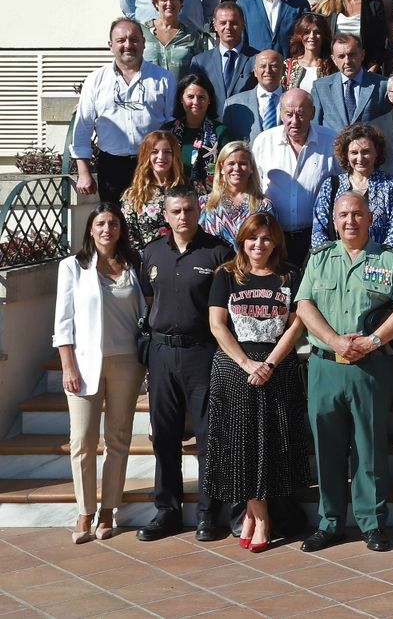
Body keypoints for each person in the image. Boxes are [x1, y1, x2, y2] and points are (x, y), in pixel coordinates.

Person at [295, 194, 393, 553]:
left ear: (370, 218)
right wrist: (334, 340)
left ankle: (372, 523)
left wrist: (373, 340)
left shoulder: (388, 260)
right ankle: (330, 523)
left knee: (369, 448)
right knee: (327, 447)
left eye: (357, 214)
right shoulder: (319, 258)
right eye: (343, 215)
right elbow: (303, 305)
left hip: (371, 367)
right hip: (325, 366)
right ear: (334, 221)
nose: (350, 221)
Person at [203, 212, 310, 553]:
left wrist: (270, 363)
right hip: (235, 368)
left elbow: (297, 324)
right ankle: (261, 517)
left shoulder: (289, 275)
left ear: (276, 241)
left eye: (266, 238)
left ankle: (252, 516)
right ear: (242, 241)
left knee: (272, 444)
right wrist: (247, 363)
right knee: (242, 444)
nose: (259, 244)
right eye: (252, 238)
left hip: (277, 366)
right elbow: (217, 325)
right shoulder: (226, 275)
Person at [136, 187, 234, 543]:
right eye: (176, 210)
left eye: (189, 209)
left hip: (202, 353)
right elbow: (149, 299)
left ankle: (209, 514)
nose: (183, 216)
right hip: (161, 353)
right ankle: (167, 511)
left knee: (210, 435)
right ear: (165, 215)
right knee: (164, 436)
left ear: (199, 211)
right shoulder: (151, 252)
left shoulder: (218, 252)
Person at [55, 205, 145, 544]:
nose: (108, 229)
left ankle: (108, 509)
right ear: (90, 229)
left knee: (118, 438)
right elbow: (63, 321)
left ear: (121, 229)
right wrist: (67, 366)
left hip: (128, 362)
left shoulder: (133, 265)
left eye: (114, 223)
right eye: (101, 223)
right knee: (82, 440)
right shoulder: (73, 267)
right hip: (83, 364)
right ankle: (84, 510)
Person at [252, 88, 338, 264]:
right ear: (280, 114)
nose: (294, 121)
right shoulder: (264, 141)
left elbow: (344, 187)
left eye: (301, 114)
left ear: (312, 113)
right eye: (289, 114)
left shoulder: (331, 141)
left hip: (316, 237)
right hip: (273, 238)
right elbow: (253, 187)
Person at [311, 123, 393, 249]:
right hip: (337, 258)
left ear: (376, 152)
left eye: (366, 152)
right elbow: (318, 229)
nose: (360, 158)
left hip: (379, 258)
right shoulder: (330, 186)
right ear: (346, 154)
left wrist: (381, 256)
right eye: (354, 152)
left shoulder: (391, 186)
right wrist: (331, 256)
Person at [162, 74, 230, 191]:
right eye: (190, 96)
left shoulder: (220, 132)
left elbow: (228, 168)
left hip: (210, 197)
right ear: (181, 99)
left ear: (209, 100)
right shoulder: (167, 131)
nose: (196, 102)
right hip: (172, 195)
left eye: (201, 97)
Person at [190, 3, 260, 116]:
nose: (228, 27)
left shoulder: (257, 59)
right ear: (215, 25)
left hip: (247, 123)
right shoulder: (200, 62)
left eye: (234, 23)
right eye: (223, 23)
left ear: (243, 25)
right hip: (212, 124)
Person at [119, 130, 183, 251]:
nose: (161, 157)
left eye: (167, 152)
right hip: (147, 259)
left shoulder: (189, 188)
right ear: (146, 156)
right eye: (154, 152)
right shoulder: (133, 194)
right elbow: (129, 236)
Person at [200, 141, 274, 245]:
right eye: (231, 163)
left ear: (251, 168)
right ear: (221, 168)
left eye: (243, 164)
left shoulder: (264, 206)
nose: (237, 168)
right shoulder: (204, 203)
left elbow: (271, 243)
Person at [142, 0, 210, 79]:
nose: (169, 3)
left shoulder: (192, 36)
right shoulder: (142, 32)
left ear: (181, 3)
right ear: (156, 3)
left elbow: (200, 72)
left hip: (180, 89)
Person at [285, 13, 335, 91]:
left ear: (323, 36)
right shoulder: (288, 65)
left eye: (317, 32)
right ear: (300, 36)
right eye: (306, 32)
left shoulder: (332, 65)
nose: (312, 36)